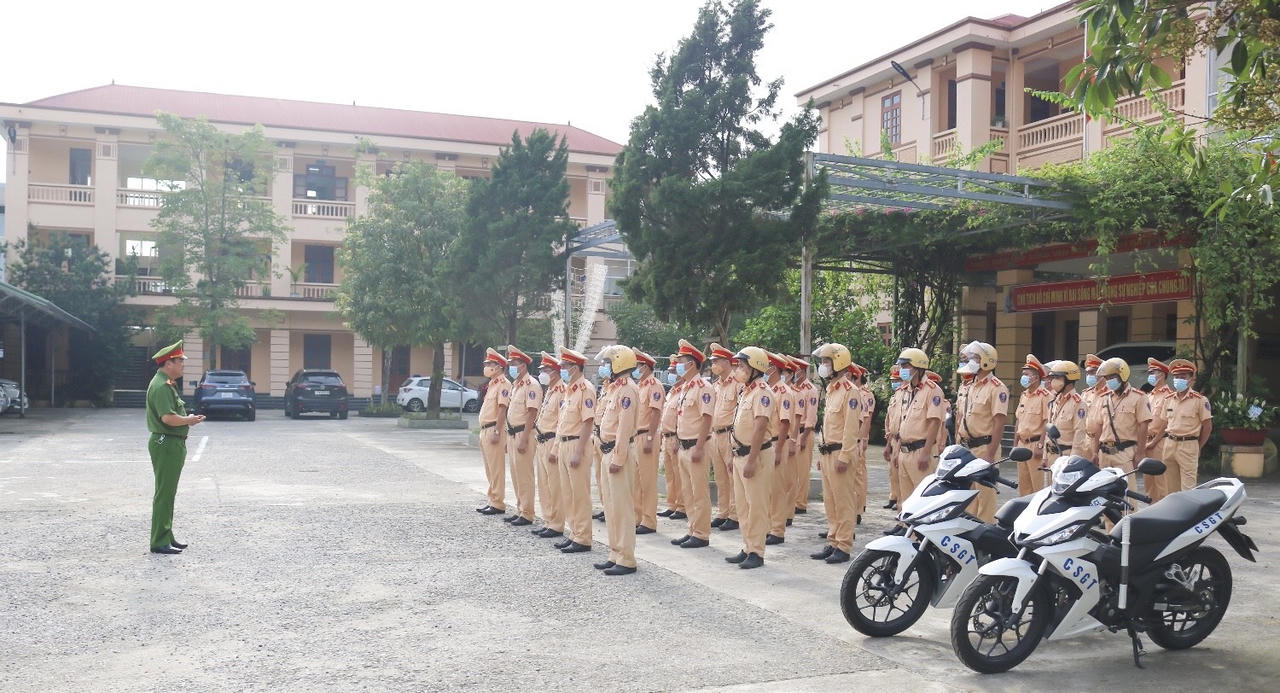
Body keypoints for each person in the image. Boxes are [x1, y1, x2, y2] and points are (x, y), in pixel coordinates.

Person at [145, 340, 204, 554]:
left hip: (171, 443)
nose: (182, 365)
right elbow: (168, 418)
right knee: (164, 493)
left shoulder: (167, 383)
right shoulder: (161, 386)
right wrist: (189, 420)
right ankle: (159, 541)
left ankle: (166, 535)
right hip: (166, 443)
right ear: (168, 363)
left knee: (168, 492)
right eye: (180, 361)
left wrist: (187, 419)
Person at [722, 347, 777, 569]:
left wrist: (752, 460)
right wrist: (731, 455)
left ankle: (757, 551)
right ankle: (747, 546)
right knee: (743, 506)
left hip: (756, 456)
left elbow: (760, 426)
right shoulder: (746, 391)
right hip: (739, 455)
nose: (739, 370)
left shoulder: (762, 392)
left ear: (755, 369)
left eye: (743, 366)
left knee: (757, 506)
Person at [592, 346, 640, 575]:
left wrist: (619, 458)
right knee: (610, 507)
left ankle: (627, 559)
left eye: (608, 363)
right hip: (606, 451)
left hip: (617, 453)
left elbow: (624, 427)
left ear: (619, 363)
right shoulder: (613, 388)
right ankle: (615, 553)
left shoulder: (628, 390)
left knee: (622, 508)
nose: (604, 367)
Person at [810, 343, 859, 564]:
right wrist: (821, 453)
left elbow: (850, 428)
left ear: (838, 362)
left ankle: (844, 545)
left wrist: (845, 456)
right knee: (830, 501)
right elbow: (827, 425)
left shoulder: (851, 391)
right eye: (822, 362)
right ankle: (833, 541)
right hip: (827, 452)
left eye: (827, 362)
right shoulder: (831, 390)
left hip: (840, 453)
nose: (823, 366)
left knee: (844, 502)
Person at [955, 342, 1006, 523]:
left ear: (986, 361)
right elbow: (962, 418)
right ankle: (969, 530)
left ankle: (986, 533)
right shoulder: (971, 385)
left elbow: (999, 422)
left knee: (985, 497)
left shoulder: (996, 387)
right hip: (967, 447)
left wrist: (990, 454)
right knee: (968, 495)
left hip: (984, 447)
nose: (971, 361)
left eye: (975, 358)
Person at [670, 339, 714, 549]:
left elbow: (706, 419)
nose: (678, 365)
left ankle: (702, 533)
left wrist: (698, 446)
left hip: (698, 447)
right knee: (687, 492)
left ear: (692, 364)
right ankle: (692, 529)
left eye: (681, 361)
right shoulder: (686, 387)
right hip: (683, 446)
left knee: (699, 492)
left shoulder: (703, 387)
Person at [552, 348, 595, 554]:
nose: (562, 370)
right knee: (568, 493)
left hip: (578, 444)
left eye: (565, 367)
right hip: (564, 443)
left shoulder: (586, 389)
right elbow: (562, 423)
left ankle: (583, 537)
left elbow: (587, 422)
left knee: (580, 494)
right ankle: (574, 533)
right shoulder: (570, 390)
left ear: (575, 368)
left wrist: (578, 451)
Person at [896, 348, 947, 504]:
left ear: (917, 368)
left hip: (920, 451)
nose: (901, 370)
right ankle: (907, 528)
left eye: (905, 366)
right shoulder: (907, 390)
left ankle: (921, 529)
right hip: (905, 451)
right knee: (906, 498)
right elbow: (904, 423)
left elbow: (934, 422)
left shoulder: (933, 390)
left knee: (922, 498)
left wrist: (926, 452)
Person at [1157, 359, 1212, 493]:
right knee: (1170, 488)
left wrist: (1198, 446)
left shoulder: (1200, 400)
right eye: (1176, 377)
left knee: (1188, 488)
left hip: (1188, 445)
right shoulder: (1168, 399)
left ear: (1191, 379)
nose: (1179, 380)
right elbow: (1164, 424)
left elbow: (1207, 426)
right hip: (1169, 444)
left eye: (1183, 377)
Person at [1091, 357, 1152, 474]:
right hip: (1104, 454)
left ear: (1122, 375)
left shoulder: (1139, 397)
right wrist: (1095, 452)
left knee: (1127, 490)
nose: (1109, 381)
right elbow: (1099, 426)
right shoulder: (1104, 398)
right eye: (1107, 378)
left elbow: (1143, 426)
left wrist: (1140, 453)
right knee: (1104, 490)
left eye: (1112, 377)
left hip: (1125, 453)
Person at [504, 345, 542, 526]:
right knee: (516, 474)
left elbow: (531, 413)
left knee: (524, 475)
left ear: (523, 365)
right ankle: (520, 509)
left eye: (514, 363)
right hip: (512, 434)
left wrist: (525, 438)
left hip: (522, 434)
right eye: (510, 363)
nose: (511, 367)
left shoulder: (531, 385)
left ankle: (527, 513)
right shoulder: (516, 385)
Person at [707, 343, 742, 531]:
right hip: (715, 434)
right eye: (713, 361)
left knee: (732, 476)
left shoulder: (737, 384)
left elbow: (739, 413)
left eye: (717, 361)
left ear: (728, 362)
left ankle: (735, 515)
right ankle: (723, 512)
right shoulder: (716, 385)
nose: (714, 364)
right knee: (720, 476)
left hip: (729, 433)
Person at [531, 352, 566, 539]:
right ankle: (548, 521)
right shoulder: (550, 390)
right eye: (542, 369)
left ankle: (557, 523)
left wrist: (556, 448)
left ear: (555, 371)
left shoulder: (561, 392)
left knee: (554, 486)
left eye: (546, 369)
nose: (542, 373)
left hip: (552, 440)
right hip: (542, 441)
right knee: (544, 485)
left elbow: (562, 422)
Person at [630, 349, 665, 535]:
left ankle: (649, 520)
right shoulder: (639, 386)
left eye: (638, 366)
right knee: (636, 481)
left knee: (648, 481)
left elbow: (655, 412)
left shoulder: (654, 386)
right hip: (636, 436)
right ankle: (638, 517)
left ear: (646, 366)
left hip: (646, 435)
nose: (636, 369)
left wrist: (651, 438)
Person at [476, 347, 512, 516]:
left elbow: (502, 409)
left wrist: (497, 431)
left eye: (490, 363)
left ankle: (498, 503)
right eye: (487, 363)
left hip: (493, 429)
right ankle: (492, 499)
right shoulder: (492, 384)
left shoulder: (504, 384)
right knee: (489, 468)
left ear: (499, 366)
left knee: (496, 468)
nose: (487, 366)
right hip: (485, 430)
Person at [765, 352, 794, 546]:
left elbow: (784, 423)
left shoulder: (784, 392)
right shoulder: (768, 389)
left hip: (777, 443)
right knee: (767, 489)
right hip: (767, 444)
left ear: (773, 368)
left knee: (777, 489)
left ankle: (777, 530)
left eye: (766, 366)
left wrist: (778, 449)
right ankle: (769, 527)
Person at [1013, 354, 1052, 495]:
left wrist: (1041, 445)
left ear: (1036, 377)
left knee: (1038, 488)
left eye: (1026, 374)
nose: (1023, 377)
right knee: (1024, 488)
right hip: (1022, 445)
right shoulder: (1024, 395)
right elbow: (1019, 420)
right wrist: (1015, 443)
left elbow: (1047, 422)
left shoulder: (1045, 396)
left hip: (1035, 445)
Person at [658, 354, 687, 520]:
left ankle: (682, 506)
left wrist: (676, 436)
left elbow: (681, 417)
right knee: (670, 474)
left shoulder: (683, 391)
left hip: (676, 437)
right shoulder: (672, 392)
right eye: (670, 371)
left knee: (678, 474)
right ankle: (672, 504)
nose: (671, 374)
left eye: (674, 371)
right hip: (667, 436)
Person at [1143, 358, 1175, 502]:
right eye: (1149, 372)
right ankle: (1151, 510)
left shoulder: (1168, 395)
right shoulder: (1148, 396)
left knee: (1162, 482)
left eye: (1153, 372)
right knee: (1148, 482)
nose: (1150, 375)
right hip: (1147, 442)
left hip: (1159, 442)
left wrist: (1154, 442)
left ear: (1162, 375)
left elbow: (1165, 422)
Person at [1044, 360, 1087, 463]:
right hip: (1051, 456)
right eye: (1053, 378)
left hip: (1065, 457)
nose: (1053, 381)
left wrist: (1072, 461)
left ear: (1069, 380)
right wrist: (1044, 457)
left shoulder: (1078, 403)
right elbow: (1048, 431)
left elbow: (1079, 434)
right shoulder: (1055, 400)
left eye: (1058, 378)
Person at [791, 356, 818, 516]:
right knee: (792, 471)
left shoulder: (810, 390)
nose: (794, 373)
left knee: (802, 471)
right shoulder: (793, 388)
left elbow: (811, 417)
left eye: (796, 370)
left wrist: (804, 436)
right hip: (793, 433)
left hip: (804, 433)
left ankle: (801, 503)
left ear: (802, 371)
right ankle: (793, 500)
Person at [852, 364, 875, 522]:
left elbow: (867, 419)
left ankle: (858, 509)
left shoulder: (865, 394)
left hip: (859, 439)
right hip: (849, 439)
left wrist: (863, 440)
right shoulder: (850, 392)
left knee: (858, 475)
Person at [883, 365, 904, 509]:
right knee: (893, 473)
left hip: (903, 440)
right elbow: (889, 420)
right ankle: (894, 497)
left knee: (902, 476)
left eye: (897, 380)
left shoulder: (905, 395)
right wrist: (888, 442)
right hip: (893, 438)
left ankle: (899, 502)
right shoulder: (894, 397)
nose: (894, 383)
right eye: (892, 380)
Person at [1080, 354, 1106, 460]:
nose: (1089, 376)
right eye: (1088, 373)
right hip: (1086, 441)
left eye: (1092, 372)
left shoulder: (1109, 394)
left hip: (1102, 442)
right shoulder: (1086, 393)